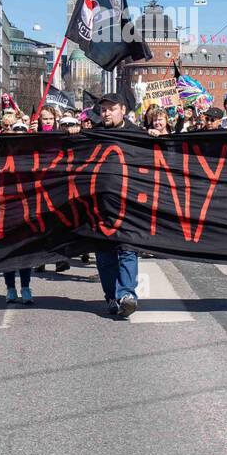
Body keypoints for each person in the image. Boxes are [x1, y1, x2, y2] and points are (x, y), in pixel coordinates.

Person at [93, 93, 142, 318]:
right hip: (100, 206)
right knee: (105, 256)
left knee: (128, 250)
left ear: (122, 109)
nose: (106, 113)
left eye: (111, 109)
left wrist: (155, 137)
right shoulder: (92, 134)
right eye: (103, 109)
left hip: (128, 204)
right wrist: (72, 133)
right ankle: (112, 296)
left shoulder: (136, 135)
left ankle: (127, 295)